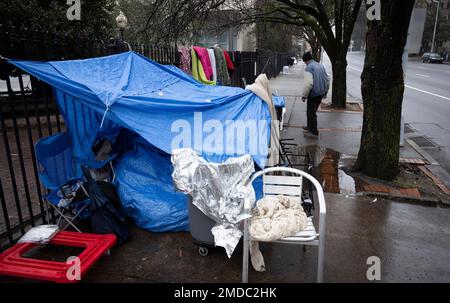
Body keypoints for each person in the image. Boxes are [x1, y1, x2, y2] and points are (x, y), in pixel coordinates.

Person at [301, 51, 330, 138]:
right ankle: (309, 127)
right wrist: (325, 92)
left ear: (305, 60)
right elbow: (327, 79)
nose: (305, 64)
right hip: (321, 92)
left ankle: (313, 132)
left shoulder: (309, 68)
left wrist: (304, 95)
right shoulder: (320, 65)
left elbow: (308, 84)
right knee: (312, 111)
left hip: (314, 93)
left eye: (304, 62)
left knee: (311, 113)